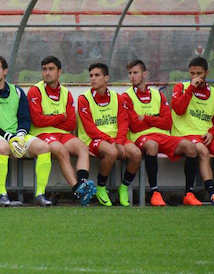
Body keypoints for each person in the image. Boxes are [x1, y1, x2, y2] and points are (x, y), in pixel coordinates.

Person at [0, 55, 53, 207]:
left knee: (44, 147)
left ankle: (40, 194)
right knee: (2, 147)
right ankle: (2, 195)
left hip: (16, 136)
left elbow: (24, 118)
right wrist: (9, 137)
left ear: (5, 71)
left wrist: (20, 136)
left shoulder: (18, 92)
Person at [123, 59, 200, 206]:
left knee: (190, 147)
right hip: (141, 138)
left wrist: (145, 118)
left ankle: (189, 193)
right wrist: (156, 118)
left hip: (163, 136)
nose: (132, 76)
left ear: (144, 74)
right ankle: (154, 192)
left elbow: (167, 122)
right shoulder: (126, 97)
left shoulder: (158, 95)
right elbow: (134, 126)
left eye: (135, 73)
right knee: (152, 145)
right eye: (130, 73)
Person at [27, 56, 96, 206]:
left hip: (62, 134)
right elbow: (37, 121)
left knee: (83, 147)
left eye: (51, 69)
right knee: (61, 150)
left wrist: (52, 118)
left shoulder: (66, 93)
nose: (47, 73)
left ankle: (83, 182)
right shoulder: (35, 91)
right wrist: (60, 117)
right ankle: (78, 189)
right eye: (44, 69)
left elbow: (71, 123)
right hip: (42, 133)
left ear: (60, 72)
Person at [77, 62, 141, 206]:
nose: (93, 78)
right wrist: (111, 141)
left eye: (97, 75)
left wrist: (119, 140)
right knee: (112, 152)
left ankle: (123, 188)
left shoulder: (117, 98)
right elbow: (90, 128)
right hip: (93, 139)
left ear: (106, 78)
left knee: (136, 153)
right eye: (91, 76)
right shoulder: (84, 99)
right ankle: (100, 187)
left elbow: (124, 122)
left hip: (116, 139)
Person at [170, 56, 214, 205]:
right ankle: (211, 193)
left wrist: (211, 132)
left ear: (206, 73)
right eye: (192, 73)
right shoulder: (181, 88)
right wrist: (191, 88)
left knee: (203, 147)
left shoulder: (213, 93)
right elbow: (179, 109)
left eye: (199, 73)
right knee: (201, 149)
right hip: (184, 135)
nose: (195, 77)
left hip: (206, 135)